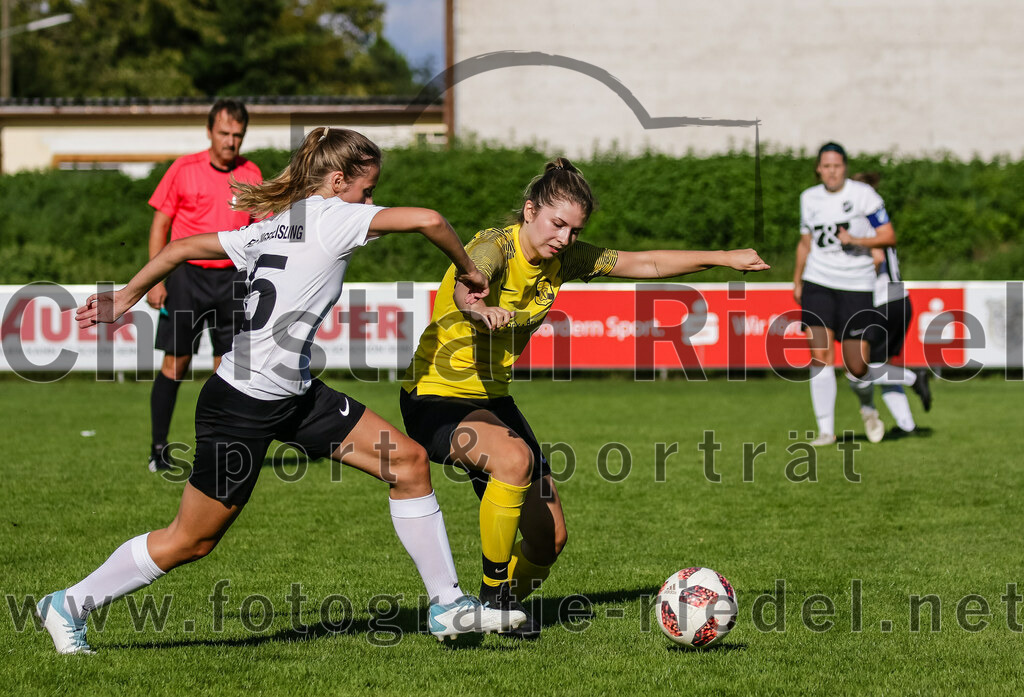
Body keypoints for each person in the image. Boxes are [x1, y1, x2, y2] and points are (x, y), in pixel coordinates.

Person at [35, 127, 525, 655]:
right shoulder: (336, 218)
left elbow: (181, 246)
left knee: (407, 463)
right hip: (241, 406)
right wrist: (473, 272)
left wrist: (127, 294)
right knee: (191, 540)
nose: (372, 201)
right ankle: (68, 603)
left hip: (295, 396)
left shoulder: (274, 227)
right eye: (367, 189)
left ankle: (447, 605)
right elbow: (430, 219)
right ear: (338, 181)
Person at [400, 157, 770, 638]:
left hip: (493, 400)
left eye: (574, 230)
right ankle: (491, 601)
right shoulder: (494, 246)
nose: (565, 238)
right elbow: (474, 282)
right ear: (530, 210)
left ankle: (495, 607)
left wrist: (723, 256)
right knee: (512, 460)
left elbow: (645, 262)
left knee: (549, 539)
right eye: (557, 224)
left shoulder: (563, 260)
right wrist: (480, 309)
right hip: (436, 395)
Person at [146, 99, 263, 473]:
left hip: (233, 278)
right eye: (224, 133)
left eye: (237, 135)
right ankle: (159, 449)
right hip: (186, 276)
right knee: (175, 363)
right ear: (210, 131)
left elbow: (264, 229)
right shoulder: (184, 169)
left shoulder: (251, 172)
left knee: (227, 368)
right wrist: (156, 278)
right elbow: (159, 226)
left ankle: (219, 449)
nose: (231, 141)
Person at [793, 142, 931, 447]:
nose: (831, 171)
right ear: (818, 168)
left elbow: (889, 236)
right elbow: (805, 243)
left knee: (856, 367)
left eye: (837, 166)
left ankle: (872, 405)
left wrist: (854, 239)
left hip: (857, 286)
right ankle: (826, 431)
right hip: (818, 282)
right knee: (819, 357)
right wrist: (798, 280)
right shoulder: (809, 198)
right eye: (826, 166)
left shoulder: (863, 195)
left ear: (845, 167)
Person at [845, 172, 923, 440]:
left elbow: (876, 257)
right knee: (880, 365)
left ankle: (913, 377)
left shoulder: (863, 224)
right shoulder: (880, 223)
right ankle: (908, 426)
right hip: (900, 297)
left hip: (881, 301)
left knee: (856, 368)